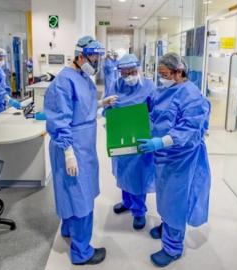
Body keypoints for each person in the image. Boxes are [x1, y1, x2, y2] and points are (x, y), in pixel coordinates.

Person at [44, 36, 117, 265]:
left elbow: (81, 109)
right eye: (93, 56)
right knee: (80, 196)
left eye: (98, 57)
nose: (96, 61)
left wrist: (101, 104)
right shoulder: (64, 82)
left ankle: (68, 229)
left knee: (72, 191)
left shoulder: (83, 77)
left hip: (84, 145)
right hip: (72, 146)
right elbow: (60, 121)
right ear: (79, 56)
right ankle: (82, 252)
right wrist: (68, 151)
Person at [138, 52, 211, 267]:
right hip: (164, 156)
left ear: (179, 72)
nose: (162, 79)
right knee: (165, 195)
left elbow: (188, 130)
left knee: (175, 200)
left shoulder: (192, 95)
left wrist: (160, 142)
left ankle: (172, 248)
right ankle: (166, 225)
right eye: (160, 74)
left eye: (165, 74)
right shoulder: (167, 88)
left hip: (181, 157)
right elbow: (152, 105)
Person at [104, 54, 156, 230]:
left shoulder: (149, 86)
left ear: (138, 69)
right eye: (125, 74)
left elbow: (156, 111)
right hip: (120, 137)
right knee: (123, 172)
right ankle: (127, 202)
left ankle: (139, 212)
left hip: (140, 137)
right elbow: (106, 111)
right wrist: (108, 109)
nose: (129, 76)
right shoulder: (115, 86)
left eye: (132, 72)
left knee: (138, 176)